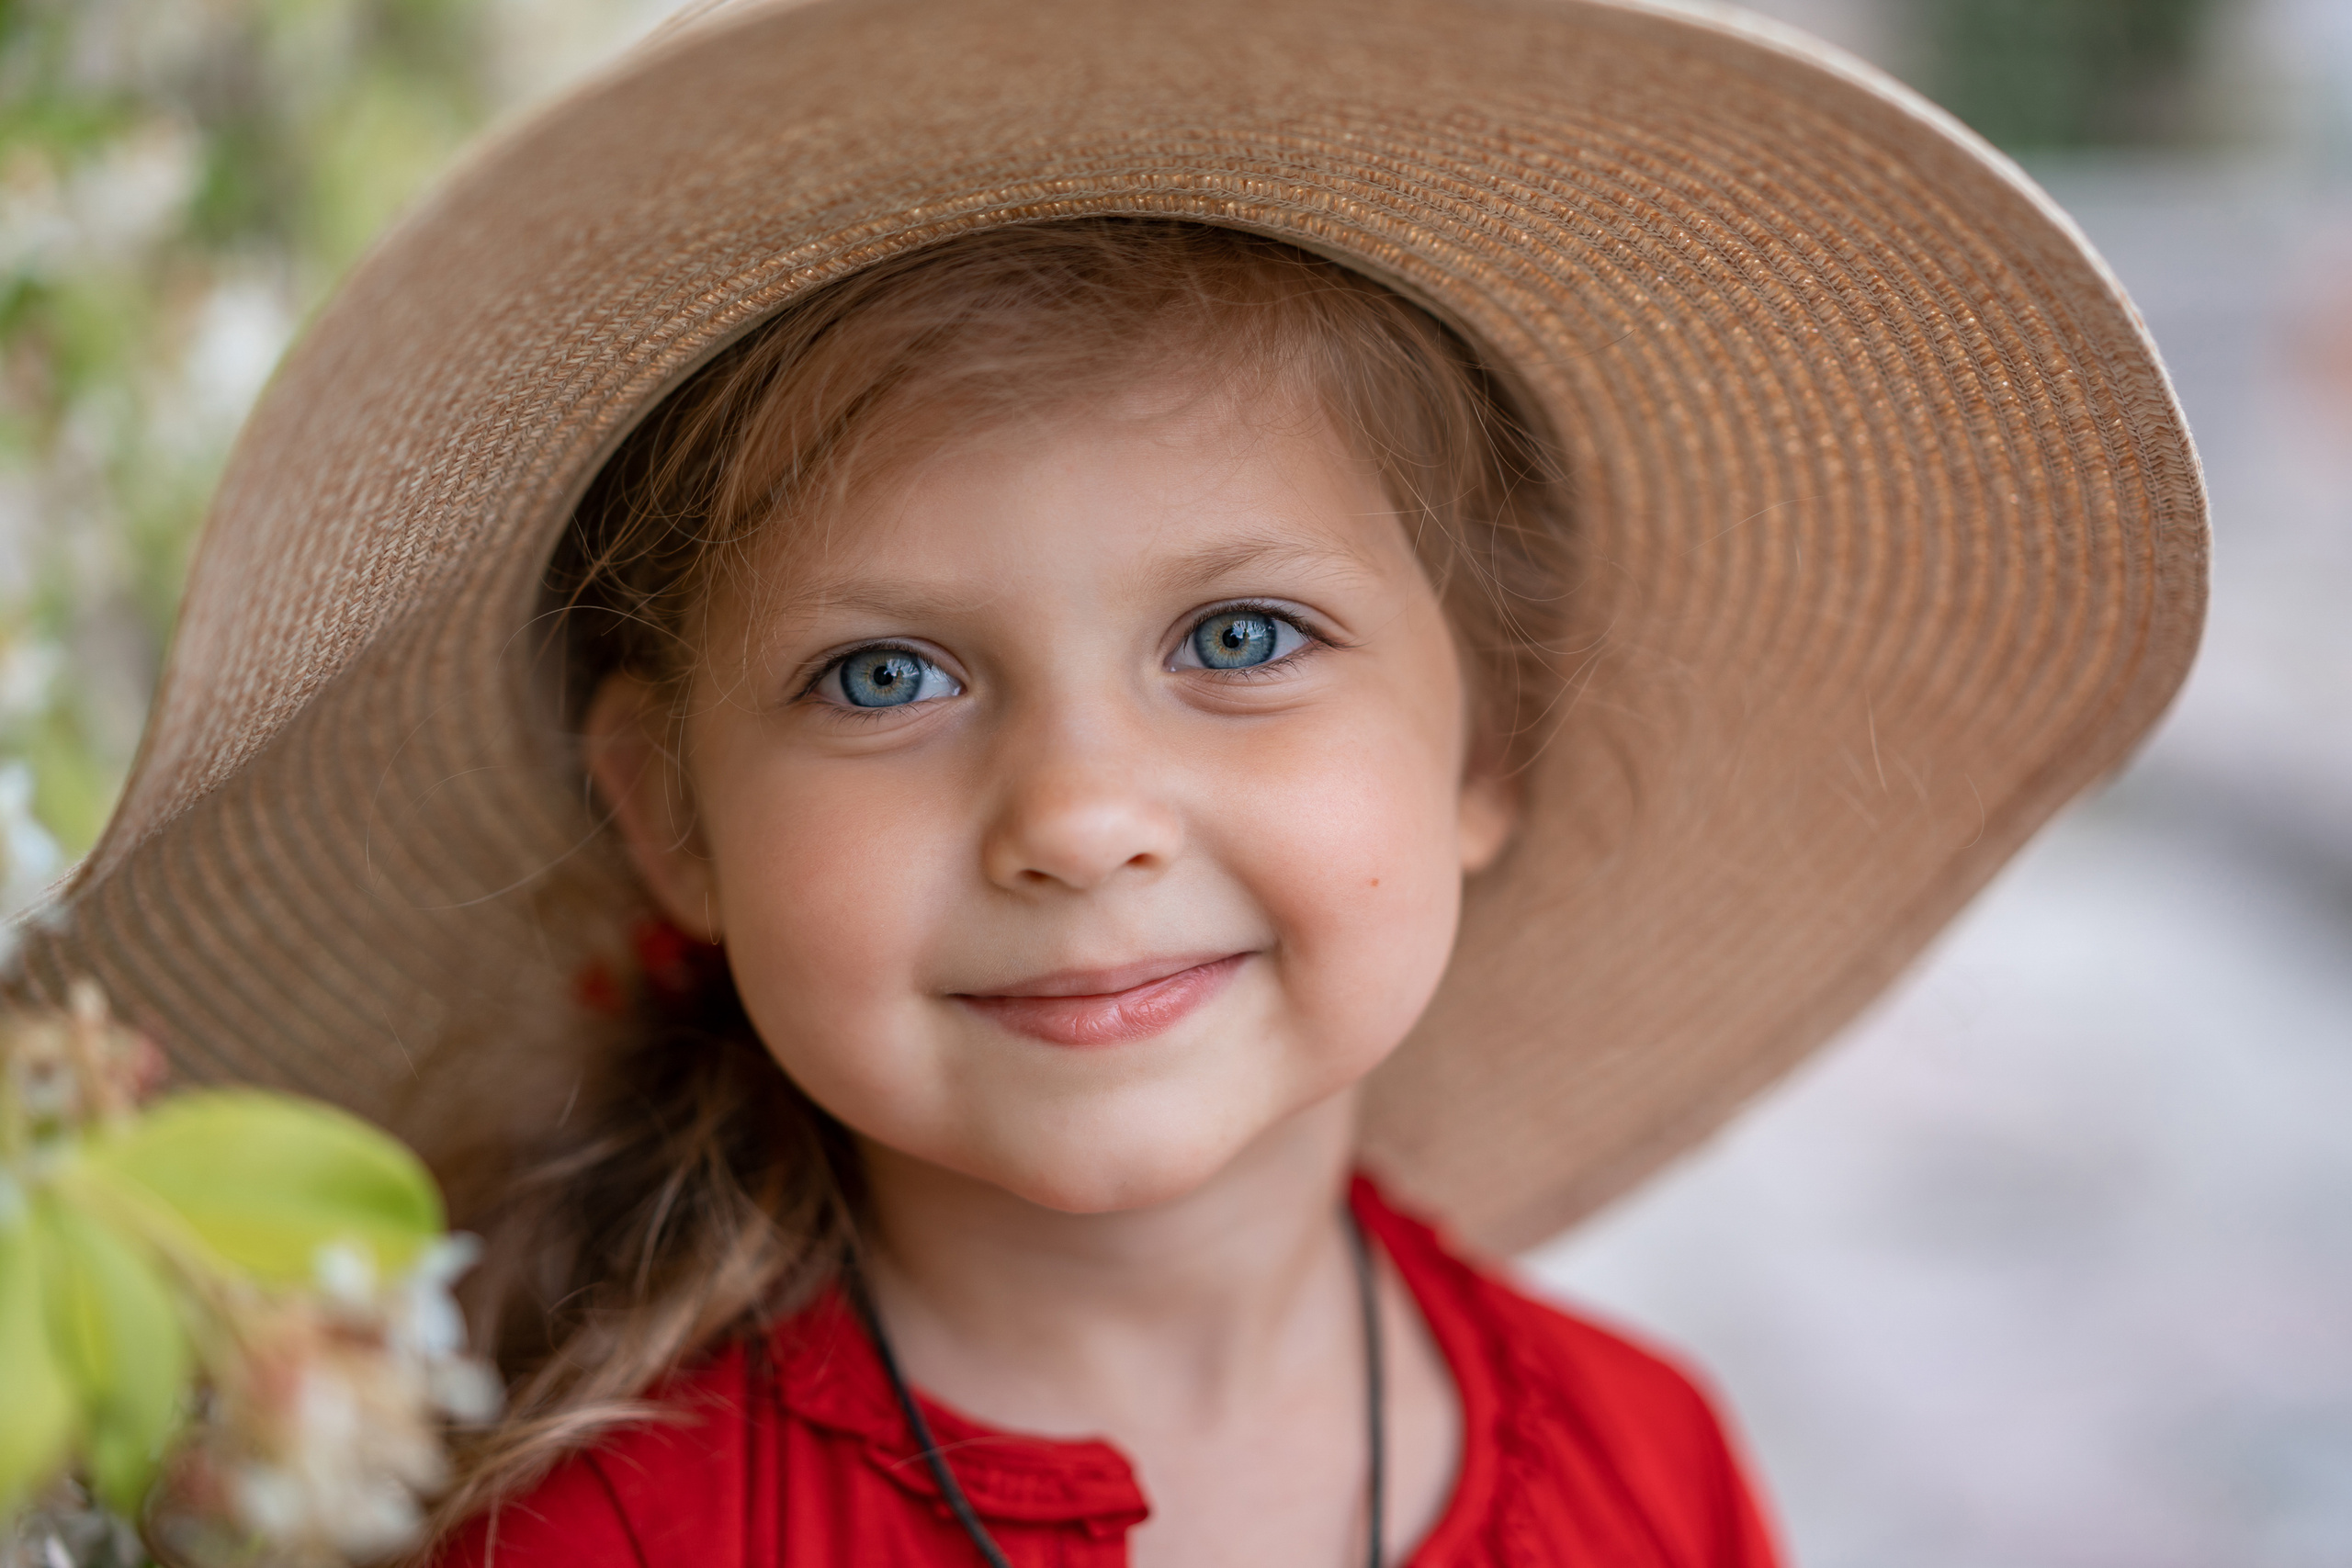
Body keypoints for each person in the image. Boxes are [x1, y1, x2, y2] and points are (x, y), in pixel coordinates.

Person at [6, 0, 2206, 1563]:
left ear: (1484, 745)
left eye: (1238, 640)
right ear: (666, 813)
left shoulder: (1650, 1478)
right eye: (883, 671)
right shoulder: (608, 1533)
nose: (1078, 808)